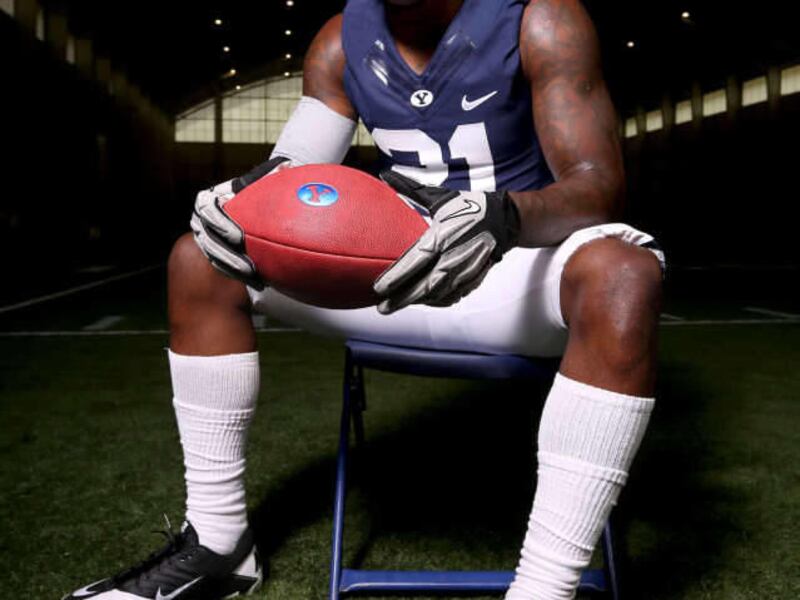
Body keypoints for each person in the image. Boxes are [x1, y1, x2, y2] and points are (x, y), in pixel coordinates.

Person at [64, 0, 664, 598]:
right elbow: (290, 176)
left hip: (512, 268)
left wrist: (503, 217)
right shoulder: (340, 42)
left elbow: (597, 187)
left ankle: (544, 588)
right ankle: (220, 544)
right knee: (201, 257)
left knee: (623, 275)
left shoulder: (542, 19)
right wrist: (238, 200)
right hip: (392, 278)